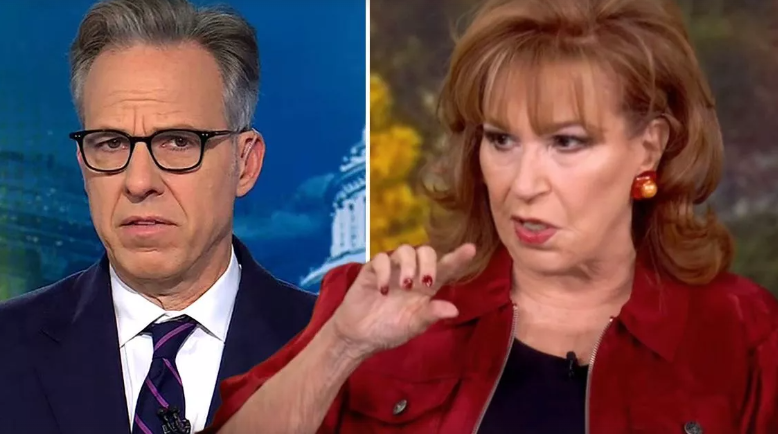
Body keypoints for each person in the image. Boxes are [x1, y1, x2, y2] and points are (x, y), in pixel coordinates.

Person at [203, 0, 778, 433]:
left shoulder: (743, 333)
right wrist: (340, 349)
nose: (523, 185)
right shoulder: (366, 306)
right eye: (502, 140)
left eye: (566, 142)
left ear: (649, 147)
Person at [0, 1, 316, 433]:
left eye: (178, 142)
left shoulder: (342, 352)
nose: (139, 181)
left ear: (245, 163)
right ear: (83, 165)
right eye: (110, 143)